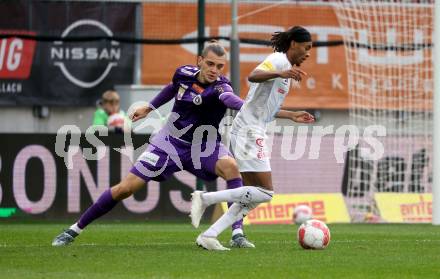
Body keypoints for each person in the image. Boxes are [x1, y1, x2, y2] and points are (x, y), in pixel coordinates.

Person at [52, 41, 255, 248]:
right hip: (170, 142)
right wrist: (149, 108)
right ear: (200, 61)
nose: (215, 70)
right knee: (125, 188)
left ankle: (237, 233)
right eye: (210, 64)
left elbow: (231, 100)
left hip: (204, 146)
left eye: (220, 66)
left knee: (231, 167)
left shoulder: (222, 87)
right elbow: (172, 88)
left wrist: (249, 109)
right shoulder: (183, 74)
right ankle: (74, 229)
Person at [190, 26, 315, 250]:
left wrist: (291, 115)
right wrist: (279, 73)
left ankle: (209, 235)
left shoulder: (285, 72)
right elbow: (253, 76)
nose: (307, 54)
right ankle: (206, 199)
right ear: (294, 43)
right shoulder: (278, 60)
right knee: (266, 192)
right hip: (248, 130)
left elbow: (264, 110)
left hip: (252, 127)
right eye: (306, 48)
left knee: (250, 196)